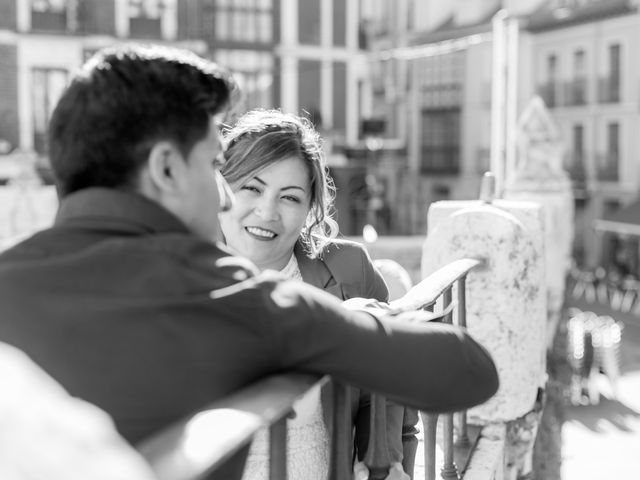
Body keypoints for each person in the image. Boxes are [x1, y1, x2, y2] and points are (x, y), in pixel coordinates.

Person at [0, 44, 499, 479]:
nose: (222, 196)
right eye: (215, 165)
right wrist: (354, 319)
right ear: (167, 168)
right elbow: (468, 371)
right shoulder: (226, 295)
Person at [219, 109, 409, 479]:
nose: (266, 211)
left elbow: (385, 385)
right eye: (252, 188)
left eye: (289, 198)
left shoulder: (349, 269)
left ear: (309, 208)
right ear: (221, 189)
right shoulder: (176, 276)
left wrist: (382, 461)